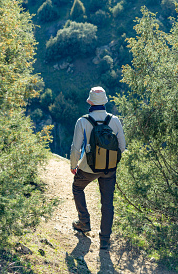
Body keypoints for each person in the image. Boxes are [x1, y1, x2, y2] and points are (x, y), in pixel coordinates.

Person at [70, 86, 126, 250]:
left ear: (90, 102)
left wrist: (74, 165)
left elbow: (76, 148)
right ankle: (105, 240)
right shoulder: (114, 121)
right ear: (105, 102)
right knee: (107, 203)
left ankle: (84, 223)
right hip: (109, 169)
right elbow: (122, 147)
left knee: (77, 187)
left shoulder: (82, 121)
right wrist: (108, 161)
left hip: (88, 167)